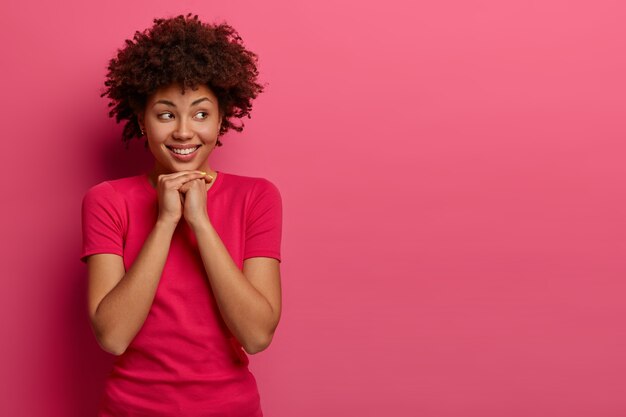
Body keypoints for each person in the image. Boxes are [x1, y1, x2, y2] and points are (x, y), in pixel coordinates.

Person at [80, 14, 283, 417]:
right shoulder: (106, 200)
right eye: (167, 114)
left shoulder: (257, 197)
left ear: (223, 119)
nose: (185, 132)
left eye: (201, 114)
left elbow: (257, 335)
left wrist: (200, 222)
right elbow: (113, 336)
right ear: (141, 121)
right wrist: (165, 221)